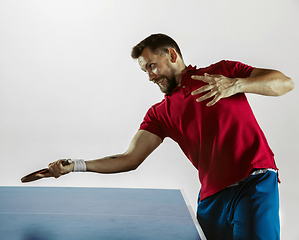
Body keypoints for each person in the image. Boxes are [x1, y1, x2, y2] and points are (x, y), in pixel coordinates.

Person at [43, 34, 294, 240]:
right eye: (145, 71)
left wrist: (236, 84)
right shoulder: (159, 114)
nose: (150, 76)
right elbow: (129, 158)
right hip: (212, 198)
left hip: (254, 182)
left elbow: (285, 83)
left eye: (152, 66)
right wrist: (75, 166)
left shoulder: (221, 72)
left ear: (172, 55)